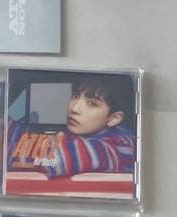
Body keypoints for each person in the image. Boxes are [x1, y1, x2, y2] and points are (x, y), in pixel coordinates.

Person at [8, 75, 137, 179]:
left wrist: (9, 150)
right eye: (75, 96)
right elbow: (17, 137)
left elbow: (56, 159)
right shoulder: (87, 135)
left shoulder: (121, 146)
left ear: (114, 118)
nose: (74, 108)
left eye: (92, 103)